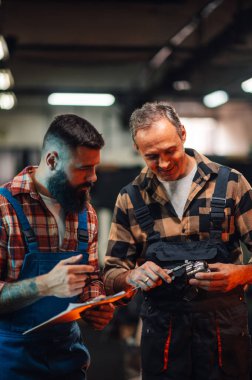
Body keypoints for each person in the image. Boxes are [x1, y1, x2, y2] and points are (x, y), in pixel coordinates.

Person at [103, 101, 252, 380]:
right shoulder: (131, 198)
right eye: (152, 156)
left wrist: (242, 273)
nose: (164, 163)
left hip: (224, 339)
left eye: (170, 150)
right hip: (163, 341)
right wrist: (132, 275)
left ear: (183, 134)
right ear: (138, 150)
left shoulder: (231, 184)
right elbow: (111, 273)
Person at [0, 114, 114, 380]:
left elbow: (91, 277)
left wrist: (94, 304)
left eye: (95, 167)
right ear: (52, 160)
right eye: (84, 168)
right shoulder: (4, 210)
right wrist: (45, 284)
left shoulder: (86, 213)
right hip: (10, 360)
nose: (93, 177)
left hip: (68, 358)